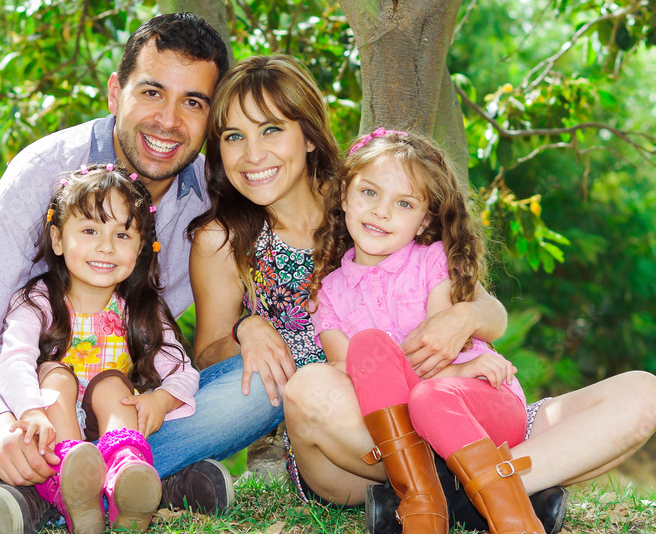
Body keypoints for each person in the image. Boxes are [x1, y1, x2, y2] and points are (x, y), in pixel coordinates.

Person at [0, 13, 284, 534]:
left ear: (210, 117)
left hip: (127, 415)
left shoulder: (215, 197)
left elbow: (201, 345)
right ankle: (131, 485)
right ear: (115, 92)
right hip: (23, 417)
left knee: (265, 384)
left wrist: (250, 328)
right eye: (151, 92)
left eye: (193, 102)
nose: (168, 120)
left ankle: (61, 491)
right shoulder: (42, 172)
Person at [187, 55, 511, 501]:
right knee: (269, 382)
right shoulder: (221, 237)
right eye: (234, 137)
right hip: (316, 413)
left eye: (272, 129)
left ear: (308, 137)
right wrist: (247, 328)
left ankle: (439, 483)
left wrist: (465, 317)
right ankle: (120, 467)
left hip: (402, 394)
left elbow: (488, 310)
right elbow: (207, 355)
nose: (252, 154)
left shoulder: (363, 205)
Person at [310, 129, 556, 534]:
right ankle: (425, 515)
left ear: (424, 219)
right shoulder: (328, 294)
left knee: (431, 397)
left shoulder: (431, 262)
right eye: (369, 192)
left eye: (403, 203)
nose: (381, 212)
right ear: (345, 194)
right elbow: (350, 373)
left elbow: (441, 348)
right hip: (406, 434)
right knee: (368, 346)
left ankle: (517, 528)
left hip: (479, 408)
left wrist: (464, 368)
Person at [0, 164, 200, 534]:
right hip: (54, 436)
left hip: (113, 425)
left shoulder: (140, 310)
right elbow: (12, 360)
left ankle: (125, 472)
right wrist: (30, 411)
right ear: (57, 239)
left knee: (112, 385)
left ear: (141, 247)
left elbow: (183, 370)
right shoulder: (39, 302)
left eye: (122, 234)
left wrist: (162, 400)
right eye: (90, 230)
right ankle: (72, 478)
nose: (106, 247)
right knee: (54, 375)